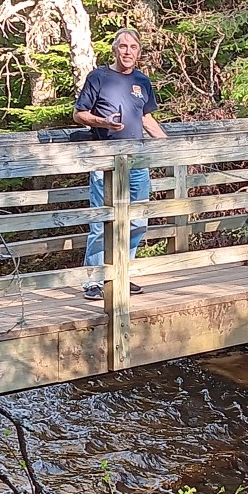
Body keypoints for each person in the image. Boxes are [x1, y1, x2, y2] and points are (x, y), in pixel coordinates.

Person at [73, 28, 168, 301]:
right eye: (123, 46)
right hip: (105, 160)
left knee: (137, 219)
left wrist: (166, 143)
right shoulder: (99, 77)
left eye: (133, 47)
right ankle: (94, 280)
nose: (128, 52)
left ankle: (123, 274)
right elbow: (79, 115)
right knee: (102, 221)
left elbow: (147, 118)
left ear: (139, 52)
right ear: (115, 50)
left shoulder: (142, 81)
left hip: (137, 161)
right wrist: (103, 123)